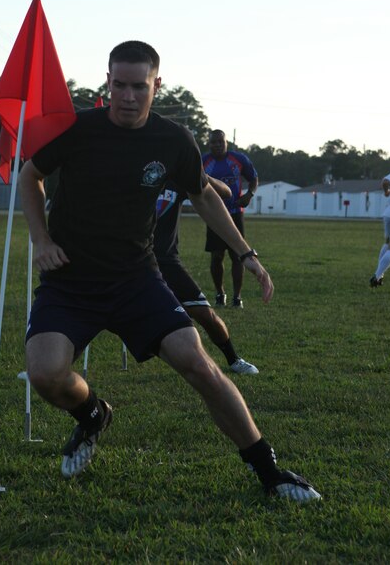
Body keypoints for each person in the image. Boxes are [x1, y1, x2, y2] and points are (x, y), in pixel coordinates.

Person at [19, 40, 321, 502]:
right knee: (44, 375)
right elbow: (30, 175)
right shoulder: (77, 129)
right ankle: (93, 416)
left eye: (139, 86)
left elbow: (203, 195)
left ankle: (271, 472)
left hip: (136, 279)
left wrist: (245, 254)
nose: (127, 96)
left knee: (199, 365)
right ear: (107, 82)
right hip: (70, 280)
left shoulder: (174, 140)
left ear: (157, 85)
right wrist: (41, 240)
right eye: (118, 85)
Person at [155, 177, 259, 374]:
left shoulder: (175, 179)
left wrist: (198, 172)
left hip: (166, 262)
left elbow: (225, 192)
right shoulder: (130, 172)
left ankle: (234, 359)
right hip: (133, 260)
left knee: (205, 313)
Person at [202, 129, 258, 308]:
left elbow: (253, 178)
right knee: (217, 256)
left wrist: (250, 194)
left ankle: (237, 297)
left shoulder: (238, 159)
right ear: (209, 144)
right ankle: (220, 294)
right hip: (214, 214)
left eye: (221, 142)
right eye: (214, 142)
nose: (217, 145)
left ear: (226, 142)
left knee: (237, 255)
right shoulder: (204, 162)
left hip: (235, 213)